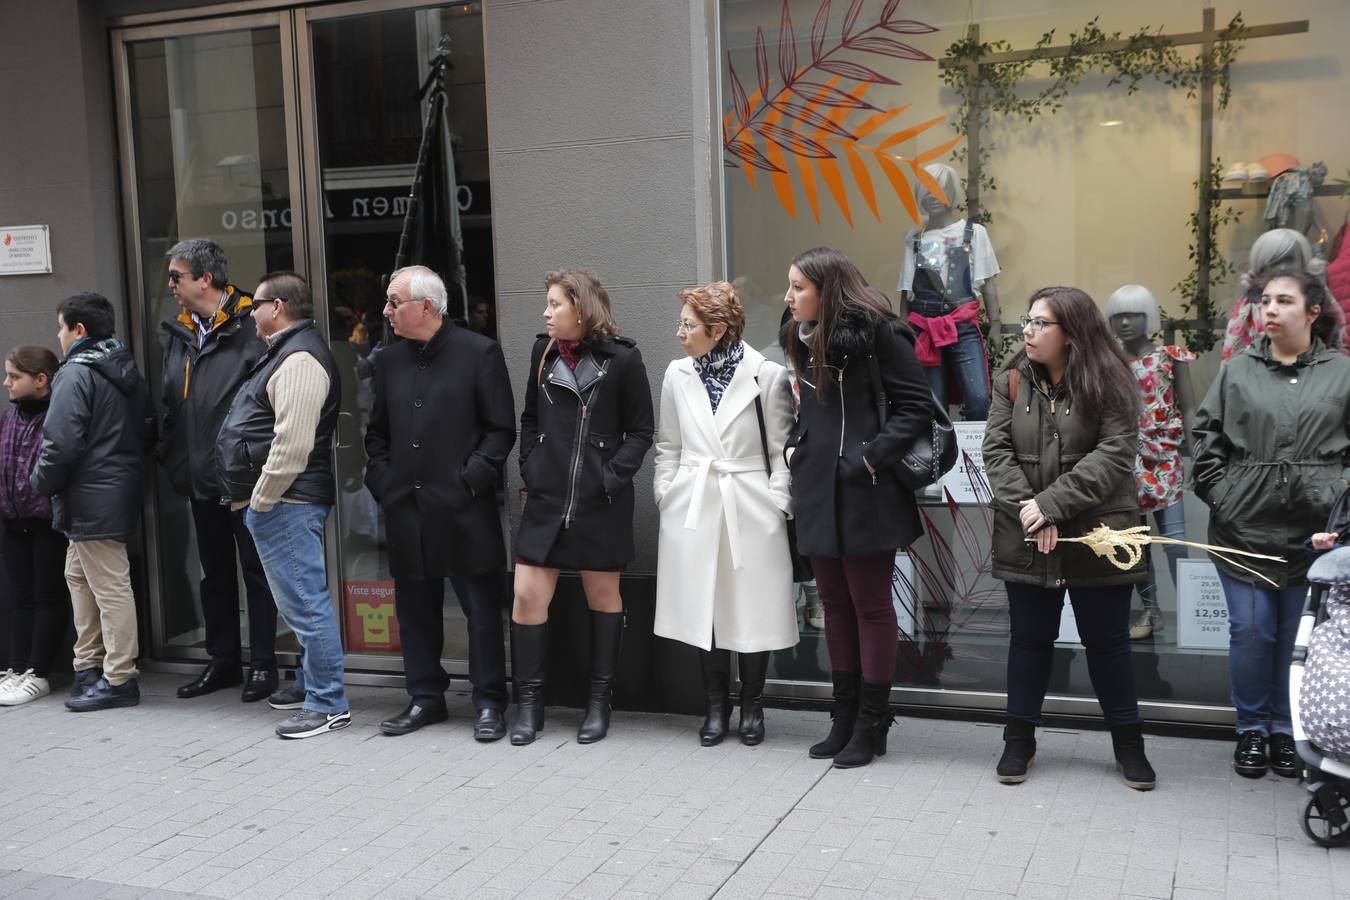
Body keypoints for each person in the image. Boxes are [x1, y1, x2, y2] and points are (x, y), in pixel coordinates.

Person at [983, 286, 1156, 790]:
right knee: (1029, 641)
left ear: (1072, 333)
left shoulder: (1111, 379)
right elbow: (996, 452)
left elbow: (1115, 455)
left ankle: (1129, 745)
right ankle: (1019, 742)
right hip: (1029, 531)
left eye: (1041, 324)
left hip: (1099, 531)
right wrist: (1034, 512)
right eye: (1027, 321)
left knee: (1108, 644)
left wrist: (1051, 505)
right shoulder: (1010, 381)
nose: (1028, 332)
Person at [780, 247, 934, 769]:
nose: (789, 297)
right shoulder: (803, 339)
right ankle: (843, 718)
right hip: (818, 490)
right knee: (834, 606)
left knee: (870, 606)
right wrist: (799, 451)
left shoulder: (880, 335)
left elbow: (917, 405)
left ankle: (872, 723)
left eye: (798, 287)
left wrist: (870, 459)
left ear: (828, 288)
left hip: (867, 490)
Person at [1193, 268, 1350, 778]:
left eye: (1284, 301)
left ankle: (1289, 731)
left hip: (1317, 536)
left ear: (1313, 312)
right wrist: (1227, 498)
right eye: (1265, 301)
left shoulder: (1341, 373)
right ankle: (1252, 730)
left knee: (1297, 636)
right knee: (1251, 631)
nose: (1271, 310)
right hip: (1244, 530)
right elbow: (1203, 442)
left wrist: (1341, 510)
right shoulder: (1236, 371)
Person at [366, 266, 516, 740]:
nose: (385, 311)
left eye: (394, 302)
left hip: (463, 510)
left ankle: (489, 702)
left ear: (425, 307)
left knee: (481, 612)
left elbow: (500, 430)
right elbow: (376, 435)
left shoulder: (479, 352)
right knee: (414, 610)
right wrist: (385, 485)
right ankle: (425, 698)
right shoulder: (388, 361)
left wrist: (469, 482)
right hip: (406, 509)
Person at [511, 269, 654, 746]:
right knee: (528, 596)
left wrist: (609, 477)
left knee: (603, 599)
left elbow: (640, 432)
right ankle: (529, 706)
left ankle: (599, 703)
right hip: (547, 498)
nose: (546, 313)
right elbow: (529, 418)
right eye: (547, 303)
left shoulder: (624, 359)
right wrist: (532, 465)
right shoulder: (543, 352)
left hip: (600, 502)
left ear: (581, 309)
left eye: (555, 304)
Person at [653, 281, 797, 747]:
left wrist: (778, 504)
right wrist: (665, 492)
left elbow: (782, 453)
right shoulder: (677, 374)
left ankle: (753, 705)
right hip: (694, 502)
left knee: (753, 606)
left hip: (751, 505)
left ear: (717, 330)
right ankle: (716, 705)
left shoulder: (767, 375)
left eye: (688, 325)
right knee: (706, 607)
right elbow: (668, 445)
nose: (679, 333)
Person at [217, 272, 349, 739]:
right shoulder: (288, 353)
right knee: (299, 604)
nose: (250, 311)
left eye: (256, 304)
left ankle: (328, 703)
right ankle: (315, 685)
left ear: (276, 308)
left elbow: (292, 444)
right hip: (283, 500)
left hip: (286, 501)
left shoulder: (298, 360)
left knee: (306, 605)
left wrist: (261, 500)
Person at [160, 238, 279, 703]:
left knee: (257, 571)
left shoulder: (253, 325)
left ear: (205, 279)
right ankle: (224, 661)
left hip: (246, 476)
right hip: (198, 475)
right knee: (214, 575)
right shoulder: (181, 331)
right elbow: (175, 403)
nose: (170, 285)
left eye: (176, 276)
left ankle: (264, 665)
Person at [31, 293, 151, 712]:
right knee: (80, 577)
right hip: (110, 489)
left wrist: (39, 482)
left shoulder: (77, 373)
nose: (59, 336)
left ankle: (118, 678)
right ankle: (89, 667)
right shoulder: (123, 367)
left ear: (78, 330)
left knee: (109, 585)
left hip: (90, 494)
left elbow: (60, 443)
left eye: (61, 328)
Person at [1105, 285, 1196, 641]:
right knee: (1135, 544)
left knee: (1175, 542)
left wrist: (1198, 450)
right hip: (1125, 461)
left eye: (1134, 315)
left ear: (1149, 317)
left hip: (1165, 459)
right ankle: (1150, 610)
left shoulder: (1171, 357)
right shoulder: (1110, 364)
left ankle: (1189, 612)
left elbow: (1188, 407)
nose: (1125, 322)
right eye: (1118, 316)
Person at [0, 346, 69, 706]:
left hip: (46, 522)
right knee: (20, 597)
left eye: (14, 376)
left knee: (47, 596)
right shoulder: (10, 417)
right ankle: (15, 669)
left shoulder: (56, 415)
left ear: (40, 380)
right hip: (13, 521)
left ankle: (39, 672)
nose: (7, 383)